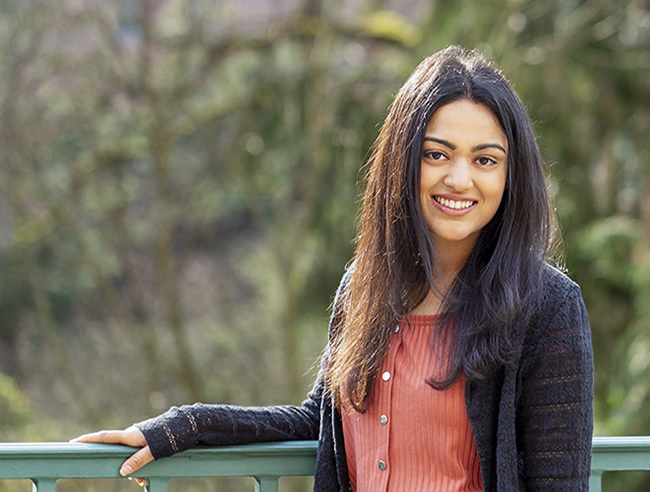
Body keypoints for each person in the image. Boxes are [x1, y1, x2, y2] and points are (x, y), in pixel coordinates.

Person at [74, 45, 594, 492]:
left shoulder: (546, 306)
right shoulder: (364, 290)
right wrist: (184, 426)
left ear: (510, 176)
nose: (459, 178)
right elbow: (317, 420)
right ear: (403, 161)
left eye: (485, 160)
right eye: (437, 154)